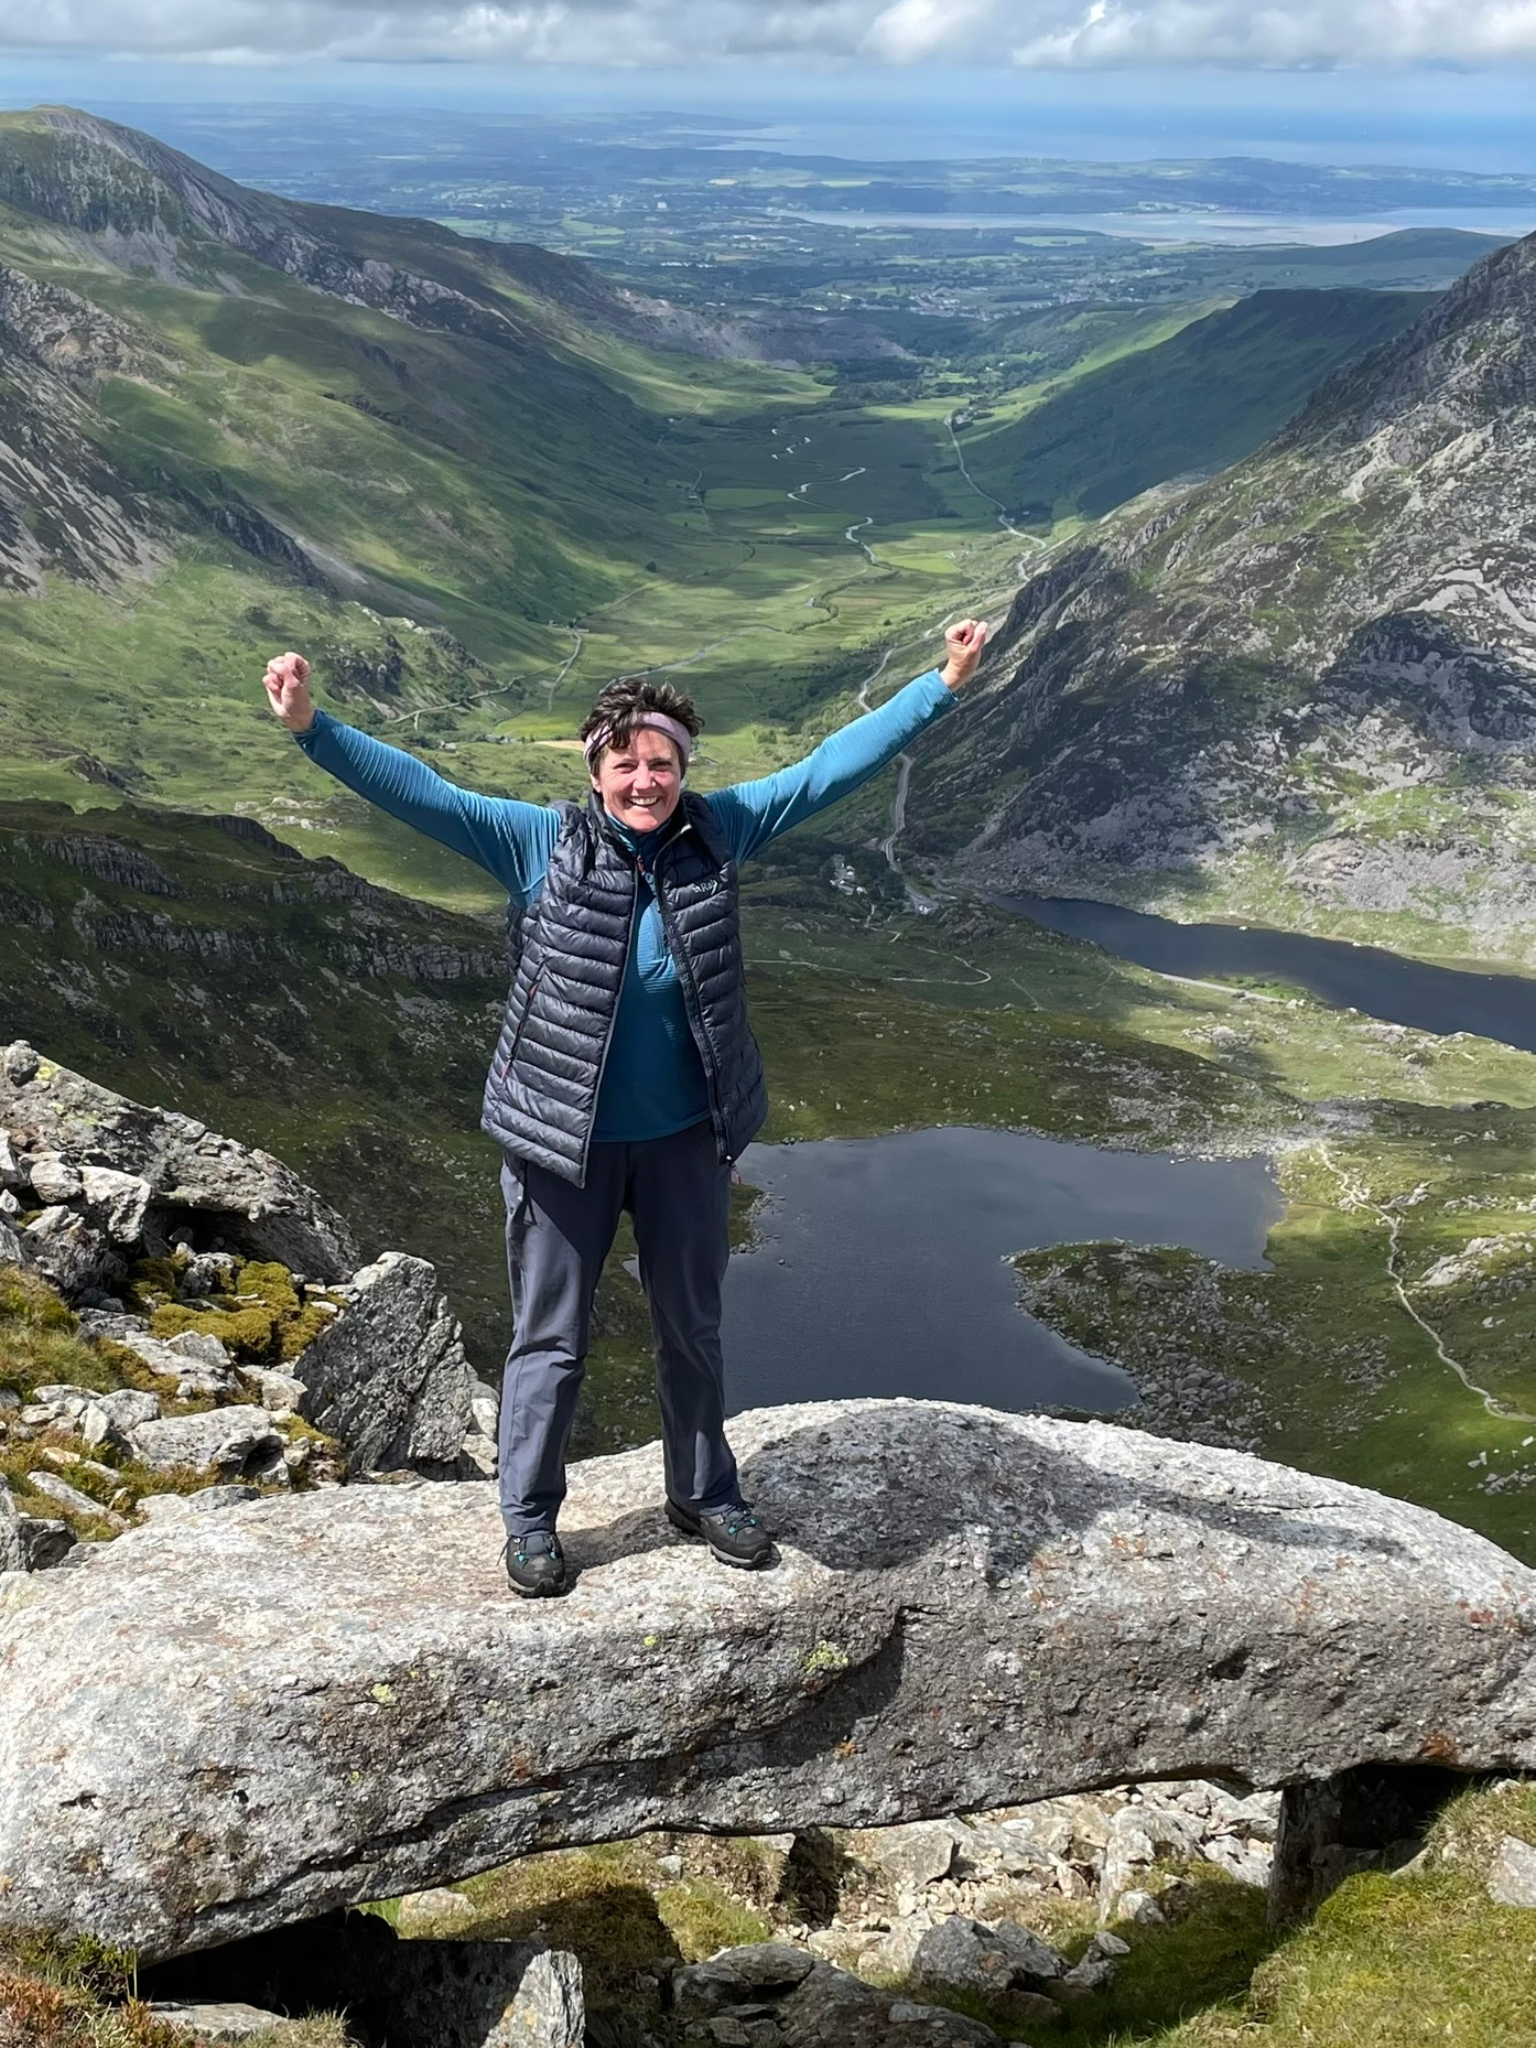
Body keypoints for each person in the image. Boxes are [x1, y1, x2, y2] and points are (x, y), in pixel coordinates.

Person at [262, 620, 988, 1594]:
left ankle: (702, 1490)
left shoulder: (718, 830)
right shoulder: (538, 842)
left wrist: (940, 684)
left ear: (681, 767)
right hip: (565, 1145)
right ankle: (528, 1518)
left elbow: (826, 769)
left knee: (693, 1324)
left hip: (688, 1139)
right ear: (596, 768)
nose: (644, 779)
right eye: (625, 763)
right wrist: (313, 725)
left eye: (661, 762)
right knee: (551, 1340)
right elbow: (421, 790)